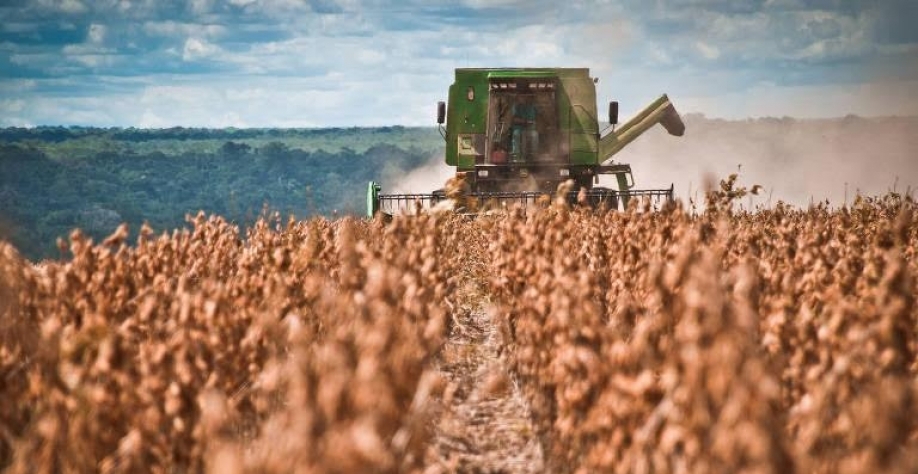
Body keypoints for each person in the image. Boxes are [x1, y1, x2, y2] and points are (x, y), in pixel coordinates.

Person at [511, 94, 538, 161]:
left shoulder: (532, 107)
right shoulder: (516, 107)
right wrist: (525, 121)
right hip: (519, 128)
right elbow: (514, 119)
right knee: (516, 134)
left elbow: (538, 117)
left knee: (535, 135)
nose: (524, 99)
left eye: (525, 97)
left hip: (530, 128)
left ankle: (534, 155)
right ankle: (516, 156)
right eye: (521, 97)